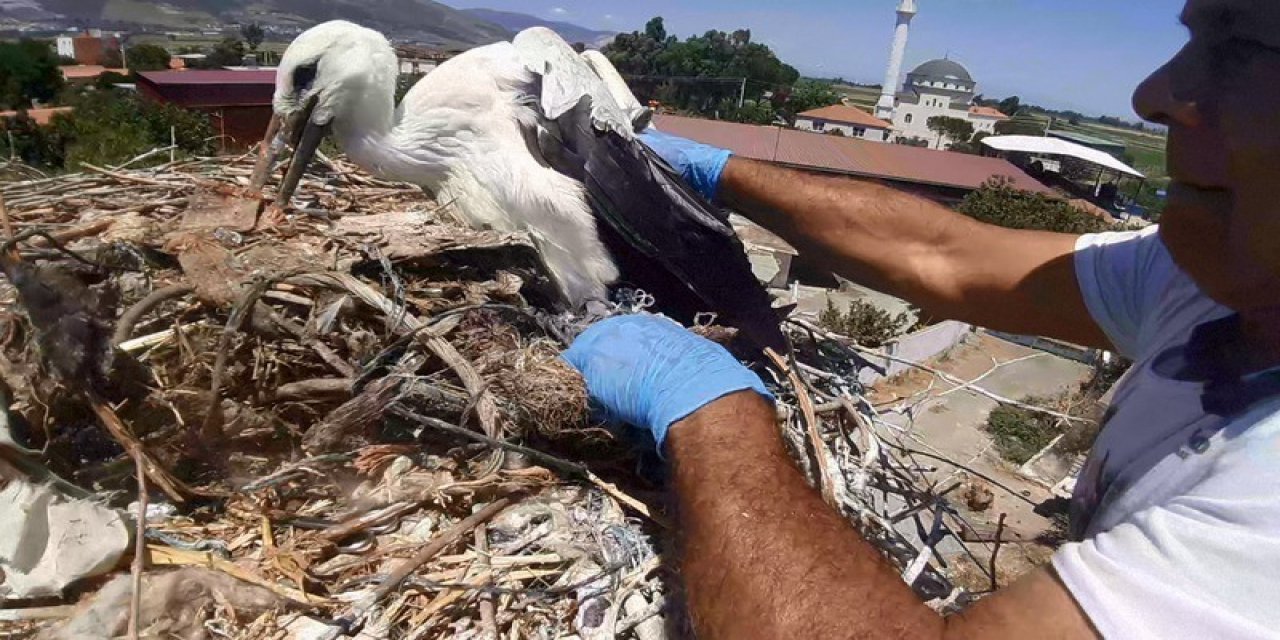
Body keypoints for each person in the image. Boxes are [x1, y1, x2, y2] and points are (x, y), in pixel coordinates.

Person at [561, 1, 1280, 637]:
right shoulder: (1219, 279)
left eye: (1239, 43)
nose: (1153, 95)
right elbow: (946, 252)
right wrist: (720, 171)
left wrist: (714, 417)